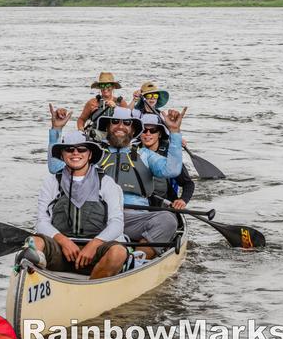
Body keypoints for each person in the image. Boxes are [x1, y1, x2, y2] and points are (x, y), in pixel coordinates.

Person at [49, 106, 186, 261]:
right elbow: (56, 168)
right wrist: (56, 129)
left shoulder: (144, 154)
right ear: (107, 127)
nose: (121, 126)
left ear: (133, 129)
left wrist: (174, 132)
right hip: (98, 216)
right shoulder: (94, 154)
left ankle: (133, 260)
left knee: (167, 220)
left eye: (127, 122)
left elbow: (172, 170)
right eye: (115, 122)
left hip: (132, 218)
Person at [17, 131, 128, 279]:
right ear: (62, 155)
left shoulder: (107, 183)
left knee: (118, 253)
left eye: (81, 149)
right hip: (61, 250)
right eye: (69, 149)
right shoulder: (51, 182)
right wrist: (64, 242)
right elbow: (42, 222)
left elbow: (117, 224)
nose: (75, 153)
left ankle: (92, 286)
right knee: (33, 242)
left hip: (96, 251)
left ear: (90, 154)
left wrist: (93, 245)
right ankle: (35, 272)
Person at [139, 114, 194, 210]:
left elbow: (188, 183)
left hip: (164, 204)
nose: (148, 134)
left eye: (153, 130)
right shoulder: (130, 151)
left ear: (159, 134)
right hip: (138, 203)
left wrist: (182, 200)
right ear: (139, 133)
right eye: (144, 130)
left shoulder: (170, 155)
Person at [77, 72, 128, 137]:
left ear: (113, 87)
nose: (105, 88)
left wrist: (115, 107)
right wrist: (80, 129)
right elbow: (82, 119)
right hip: (95, 135)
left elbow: (127, 120)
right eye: (102, 85)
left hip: (115, 136)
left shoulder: (121, 103)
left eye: (108, 85)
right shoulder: (92, 102)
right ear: (99, 88)